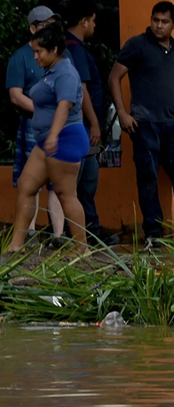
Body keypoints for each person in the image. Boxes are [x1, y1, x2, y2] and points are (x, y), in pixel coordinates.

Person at [108, 1, 174, 247]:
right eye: (155, 20)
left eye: (164, 22)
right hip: (144, 125)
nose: (158, 25)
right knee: (148, 178)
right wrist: (122, 113)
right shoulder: (137, 45)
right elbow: (114, 77)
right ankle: (153, 234)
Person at [7, 22, 90, 255]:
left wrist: (53, 135)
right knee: (26, 185)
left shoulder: (66, 73)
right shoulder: (51, 71)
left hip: (63, 140)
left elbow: (66, 105)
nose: (35, 57)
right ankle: (16, 244)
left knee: (66, 194)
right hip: (47, 142)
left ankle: (82, 249)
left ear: (54, 49)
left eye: (39, 52)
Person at [6, 6, 68, 246]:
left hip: (61, 125)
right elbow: (15, 95)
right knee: (30, 180)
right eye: (46, 24)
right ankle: (29, 233)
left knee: (58, 181)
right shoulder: (20, 57)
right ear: (33, 28)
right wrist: (44, 111)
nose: (52, 28)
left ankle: (59, 235)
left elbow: (73, 90)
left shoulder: (63, 55)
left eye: (54, 24)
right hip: (33, 125)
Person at [65, 0, 121, 246]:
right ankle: (82, 232)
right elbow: (83, 90)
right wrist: (94, 124)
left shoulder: (75, 47)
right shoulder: (75, 49)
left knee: (87, 180)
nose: (95, 26)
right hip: (82, 126)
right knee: (82, 181)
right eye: (94, 21)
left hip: (83, 124)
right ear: (84, 21)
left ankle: (90, 229)